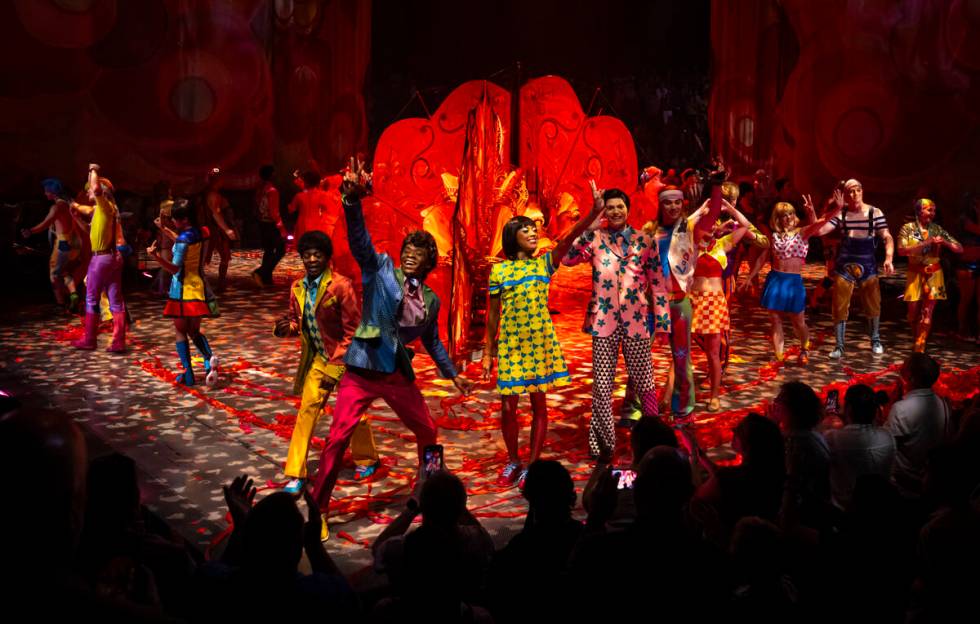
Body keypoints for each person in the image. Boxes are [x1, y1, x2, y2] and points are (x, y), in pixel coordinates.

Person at [310, 160, 472, 539]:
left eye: (420, 251)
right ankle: (317, 508)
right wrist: (351, 203)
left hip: (397, 375)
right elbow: (361, 244)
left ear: (430, 260)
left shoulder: (430, 299)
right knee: (337, 440)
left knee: (429, 432)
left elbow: (431, 341)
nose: (412, 253)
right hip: (363, 370)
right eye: (409, 248)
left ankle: (429, 495)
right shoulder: (381, 270)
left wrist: (453, 375)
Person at [482, 183, 604, 486]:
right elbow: (493, 315)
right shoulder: (499, 272)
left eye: (535, 228)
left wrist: (594, 211)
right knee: (508, 407)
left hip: (539, 343)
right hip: (511, 345)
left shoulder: (544, 264)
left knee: (539, 405)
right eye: (527, 230)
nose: (535, 232)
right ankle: (513, 460)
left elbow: (570, 235)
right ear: (513, 237)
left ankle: (532, 465)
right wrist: (488, 353)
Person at [561, 183, 671, 459]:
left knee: (645, 382)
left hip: (637, 320)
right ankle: (602, 447)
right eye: (610, 207)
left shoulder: (644, 241)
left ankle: (653, 442)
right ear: (604, 211)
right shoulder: (594, 238)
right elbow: (566, 258)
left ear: (628, 209)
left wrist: (663, 322)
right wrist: (590, 221)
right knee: (602, 385)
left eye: (619, 206)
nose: (615, 211)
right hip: (603, 320)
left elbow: (658, 282)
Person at [273, 230, 381, 495]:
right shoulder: (297, 287)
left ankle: (368, 459)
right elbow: (297, 322)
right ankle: (296, 473)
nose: (311, 260)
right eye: (306, 255)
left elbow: (353, 331)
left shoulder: (341, 286)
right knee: (306, 412)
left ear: (327, 257)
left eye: (317, 255)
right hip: (319, 360)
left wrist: (337, 368)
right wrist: (285, 328)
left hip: (349, 361)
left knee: (355, 414)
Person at [689, 197, 759, 412]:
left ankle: (714, 395)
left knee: (713, 353)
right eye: (705, 226)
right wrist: (701, 209)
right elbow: (682, 226)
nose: (709, 230)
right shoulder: (689, 246)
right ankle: (679, 395)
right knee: (682, 352)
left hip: (714, 303)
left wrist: (731, 208)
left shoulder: (721, 245)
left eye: (712, 227)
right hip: (691, 302)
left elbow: (746, 226)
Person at [741, 197, 831, 364]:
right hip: (775, 280)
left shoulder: (802, 232)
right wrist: (750, 277)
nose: (789, 217)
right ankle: (779, 357)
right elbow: (761, 259)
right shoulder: (774, 237)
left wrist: (833, 208)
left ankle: (804, 348)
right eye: (784, 215)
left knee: (798, 321)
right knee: (775, 320)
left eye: (791, 213)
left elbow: (821, 223)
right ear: (778, 219)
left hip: (793, 282)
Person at [812, 178, 895, 358]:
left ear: (862, 191)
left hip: (868, 263)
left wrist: (888, 258)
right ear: (845, 195)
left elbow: (887, 236)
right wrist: (830, 208)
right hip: (845, 264)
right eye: (849, 191)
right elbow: (818, 231)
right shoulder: (842, 214)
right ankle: (839, 346)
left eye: (856, 190)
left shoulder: (874, 212)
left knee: (873, 302)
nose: (854, 194)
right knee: (839, 304)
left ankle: (875, 339)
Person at [146, 199, 220, 386]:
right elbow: (184, 240)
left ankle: (188, 375)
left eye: (175, 219)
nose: (174, 222)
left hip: (182, 290)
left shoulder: (182, 241)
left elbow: (174, 268)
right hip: (199, 287)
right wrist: (164, 229)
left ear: (184, 219)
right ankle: (208, 359)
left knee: (180, 331)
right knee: (194, 331)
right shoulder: (203, 232)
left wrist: (155, 257)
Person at [69, 164, 127, 352]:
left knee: (92, 298)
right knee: (115, 300)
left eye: (91, 191)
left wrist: (93, 169)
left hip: (101, 259)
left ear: (101, 192)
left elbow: (94, 188)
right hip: (112, 258)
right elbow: (89, 231)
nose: (88, 194)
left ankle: (90, 339)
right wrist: (77, 218)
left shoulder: (104, 206)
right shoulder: (105, 210)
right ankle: (118, 342)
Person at [897, 198, 962, 352]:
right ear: (919, 211)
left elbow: (959, 248)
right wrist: (925, 243)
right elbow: (901, 250)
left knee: (927, 311)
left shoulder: (937, 229)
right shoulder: (908, 229)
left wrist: (945, 243)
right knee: (912, 312)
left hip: (934, 273)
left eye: (933, 210)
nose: (932, 213)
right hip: (915, 273)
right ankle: (916, 337)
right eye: (928, 210)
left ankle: (921, 343)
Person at [886, 353, 950, 496]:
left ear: (911, 378)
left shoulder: (901, 408)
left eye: (903, 368)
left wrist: (891, 405)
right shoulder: (944, 404)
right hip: (931, 480)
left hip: (905, 485)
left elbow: (885, 445)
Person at [824, 384, 895, 510]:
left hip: (842, 512)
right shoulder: (888, 437)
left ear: (849, 409)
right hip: (881, 507)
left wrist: (829, 418)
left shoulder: (833, 438)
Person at [20, 178, 83, 312]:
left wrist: (30, 231)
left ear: (52, 193)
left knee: (54, 274)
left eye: (46, 191)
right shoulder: (68, 204)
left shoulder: (56, 207)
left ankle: (60, 304)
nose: (44, 194)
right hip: (75, 241)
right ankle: (73, 295)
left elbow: (46, 223)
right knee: (65, 271)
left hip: (63, 242)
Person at [252, 164, 288, 287]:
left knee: (268, 250)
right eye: (274, 173)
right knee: (281, 250)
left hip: (262, 223)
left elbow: (257, 207)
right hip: (271, 224)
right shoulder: (272, 190)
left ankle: (267, 278)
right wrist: (281, 228)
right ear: (271, 175)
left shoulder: (260, 189)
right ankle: (260, 272)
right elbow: (274, 212)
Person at [203, 167, 238, 292]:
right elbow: (215, 214)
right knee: (223, 256)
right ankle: (220, 284)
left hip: (213, 230)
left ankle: (220, 284)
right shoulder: (213, 195)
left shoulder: (211, 193)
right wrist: (227, 230)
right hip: (215, 231)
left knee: (213, 257)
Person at [955, 193, 980, 341]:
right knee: (966, 299)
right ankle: (962, 330)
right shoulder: (964, 219)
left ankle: (978, 333)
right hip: (967, 263)